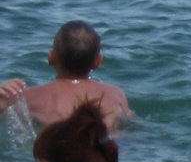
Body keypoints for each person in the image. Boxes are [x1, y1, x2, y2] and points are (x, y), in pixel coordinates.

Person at [0, 20, 131, 129]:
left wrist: (3, 99)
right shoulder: (116, 95)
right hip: (106, 149)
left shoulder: (29, 98)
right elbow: (131, 123)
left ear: (51, 57)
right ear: (98, 62)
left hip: (58, 148)